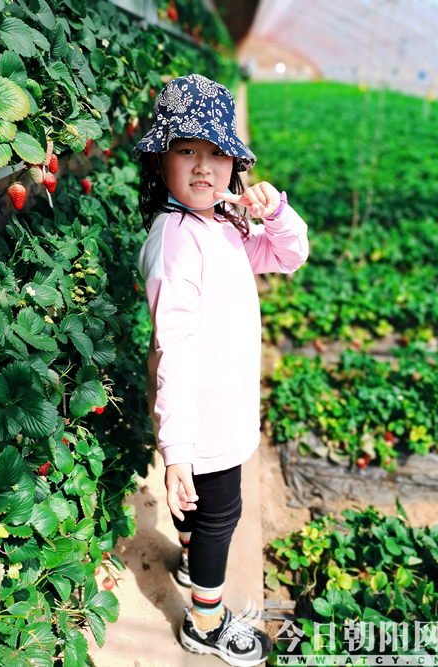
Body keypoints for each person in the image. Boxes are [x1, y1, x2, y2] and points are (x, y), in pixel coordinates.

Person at [132, 73, 309, 667]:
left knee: (198, 507)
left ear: (235, 163)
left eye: (217, 152)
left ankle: (191, 560)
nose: (204, 167)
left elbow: (289, 254)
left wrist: (274, 212)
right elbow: (175, 352)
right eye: (187, 150)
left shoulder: (219, 223)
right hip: (202, 415)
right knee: (221, 513)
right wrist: (178, 449)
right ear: (160, 160)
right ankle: (205, 622)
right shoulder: (178, 245)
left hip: (218, 403)